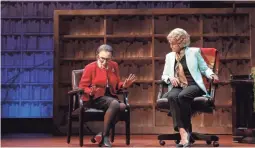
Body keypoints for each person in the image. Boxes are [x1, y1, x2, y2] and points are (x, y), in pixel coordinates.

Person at [161, 28, 219, 147]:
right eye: (170, 43)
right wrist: (170, 78)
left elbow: (204, 68)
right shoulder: (169, 56)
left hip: (193, 85)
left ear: (181, 43)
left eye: (173, 43)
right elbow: (164, 75)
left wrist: (212, 74)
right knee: (172, 96)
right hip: (178, 85)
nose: (171, 46)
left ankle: (185, 132)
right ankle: (183, 132)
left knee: (183, 96)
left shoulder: (194, 52)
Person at [79, 44, 136, 147]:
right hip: (94, 98)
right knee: (116, 104)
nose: (105, 62)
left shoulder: (114, 66)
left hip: (110, 97)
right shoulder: (90, 67)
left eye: (108, 59)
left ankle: (101, 134)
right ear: (97, 56)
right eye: (102, 59)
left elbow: (117, 83)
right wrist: (90, 91)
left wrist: (124, 84)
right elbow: (82, 86)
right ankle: (105, 137)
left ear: (111, 58)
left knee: (122, 106)